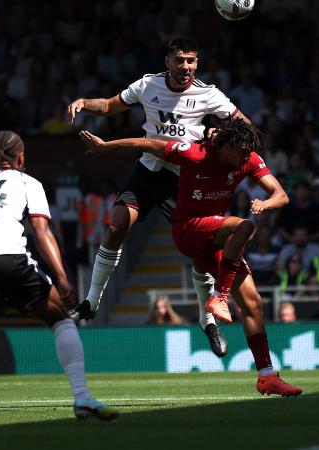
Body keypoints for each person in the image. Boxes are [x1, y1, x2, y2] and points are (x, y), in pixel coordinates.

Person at [80, 120, 302, 397]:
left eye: (248, 153)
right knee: (246, 227)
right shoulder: (194, 153)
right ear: (226, 146)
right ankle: (219, 296)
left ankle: (266, 376)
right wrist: (105, 147)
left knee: (253, 302)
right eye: (242, 152)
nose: (246, 158)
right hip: (188, 229)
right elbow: (147, 144)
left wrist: (265, 204)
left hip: (216, 236)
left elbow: (280, 194)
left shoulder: (246, 160)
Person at [67, 36, 250, 358]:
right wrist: (85, 102)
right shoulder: (147, 85)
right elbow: (109, 105)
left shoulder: (208, 94)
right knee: (117, 225)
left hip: (187, 176)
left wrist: (221, 133)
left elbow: (244, 125)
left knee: (199, 251)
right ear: (167, 61)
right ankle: (91, 303)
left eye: (191, 61)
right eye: (180, 60)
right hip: (150, 168)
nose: (186, 67)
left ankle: (208, 321)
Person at [0, 131, 118, 428]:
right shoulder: (28, 183)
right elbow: (41, 232)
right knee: (61, 318)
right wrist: (62, 277)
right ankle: (82, 396)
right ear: (22, 158)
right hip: (9, 258)